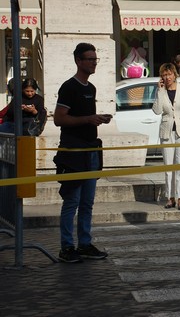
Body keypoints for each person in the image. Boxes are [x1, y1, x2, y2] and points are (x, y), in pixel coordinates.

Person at [53, 43, 113, 263]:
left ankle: (85, 244)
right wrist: (88, 119)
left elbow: (84, 116)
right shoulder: (69, 87)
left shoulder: (91, 88)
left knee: (87, 202)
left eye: (95, 59)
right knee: (72, 201)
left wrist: (98, 118)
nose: (94, 62)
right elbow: (59, 118)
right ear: (78, 61)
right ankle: (67, 247)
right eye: (89, 59)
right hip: (73, 152)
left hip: (90, 150)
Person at [152, 62, 180, 211]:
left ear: (174, 74)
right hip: (167, 132)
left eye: (169, 74)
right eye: (164, 75)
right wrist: (159, 92)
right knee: (168, 167)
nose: (167, 77)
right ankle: (170, 197)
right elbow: (157, 111)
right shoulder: (160, 91)